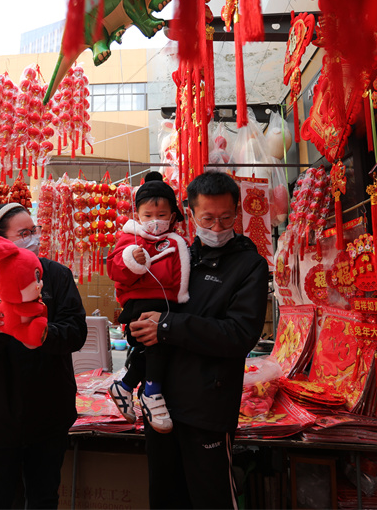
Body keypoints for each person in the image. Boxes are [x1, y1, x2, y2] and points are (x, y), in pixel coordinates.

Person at [128, 171, 269, 509]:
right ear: (189, 214)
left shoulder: (250, 266)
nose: (217, 228)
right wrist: (137, 327)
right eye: (207, 218)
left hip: (207, 409)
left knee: (210, 498)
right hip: (160, 405)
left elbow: (239, 335)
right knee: (165, 496)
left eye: (225, 218)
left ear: (237, 212)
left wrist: (167, 327)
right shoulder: (180, 258)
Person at [0, 203, 88, 509]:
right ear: (0, 240)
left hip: (49, 410)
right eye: (24, 233)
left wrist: (43, 333)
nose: (33, 238)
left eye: (34, 231)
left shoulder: (56, 275)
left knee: (43, 498)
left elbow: (76, 332)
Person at [106, 171, 189, 433]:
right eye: (148, 216)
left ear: (173, 216)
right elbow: (115, 268)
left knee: (152, 348)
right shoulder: (131, 239)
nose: (155, 221)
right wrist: (132, 259)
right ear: (137, 216)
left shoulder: (177, 242)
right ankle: (151, 392)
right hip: (139, 303)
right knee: (156, 344)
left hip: (169, 305)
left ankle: (126, 385)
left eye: (161, 215)